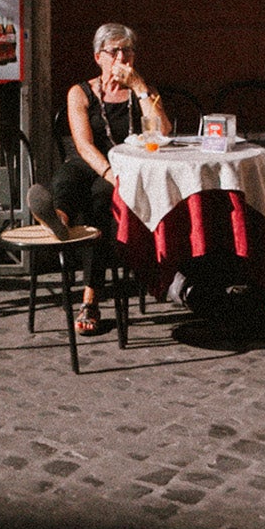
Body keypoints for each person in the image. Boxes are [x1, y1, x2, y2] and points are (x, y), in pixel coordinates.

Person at [58, 23, 172, 338]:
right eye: (114, 51)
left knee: (99, 202)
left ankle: (90, 298)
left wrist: (139, 87)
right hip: (94, 161)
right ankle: (57, 220)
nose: (122, 58)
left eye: (128, 51)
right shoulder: (80, 92)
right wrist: (109, 172)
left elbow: (163, 130)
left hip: (131, 168)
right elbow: (84, 145)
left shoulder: (142, 90)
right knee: (69, 174)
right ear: (99, 57)